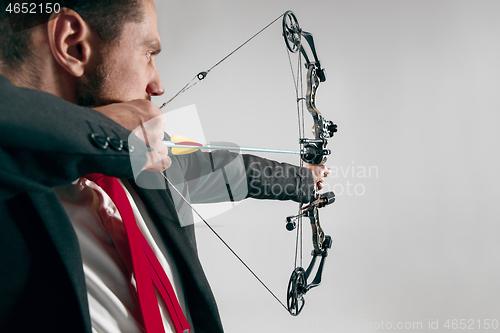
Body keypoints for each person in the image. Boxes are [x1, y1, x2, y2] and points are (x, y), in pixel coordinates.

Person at [0, 1, 330, 332]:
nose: (158, 85)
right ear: (74, 44)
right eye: (149, 54)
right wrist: (105, 132)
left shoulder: (146, 159)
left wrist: (305, 180)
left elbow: (229, 170)